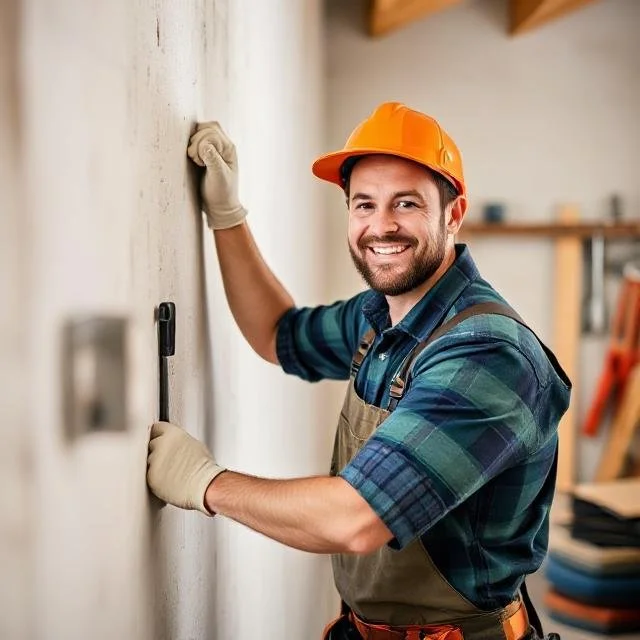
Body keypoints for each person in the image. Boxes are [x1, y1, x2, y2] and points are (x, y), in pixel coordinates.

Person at [146, 102, 571, 640]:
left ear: (453, 213)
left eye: (406, 203)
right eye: (364, 204)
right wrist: (227, 216)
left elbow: (356, 518)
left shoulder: (486, 355)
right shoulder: (380, 317)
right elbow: (278, 333)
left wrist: (206, 483)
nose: (381, 225)